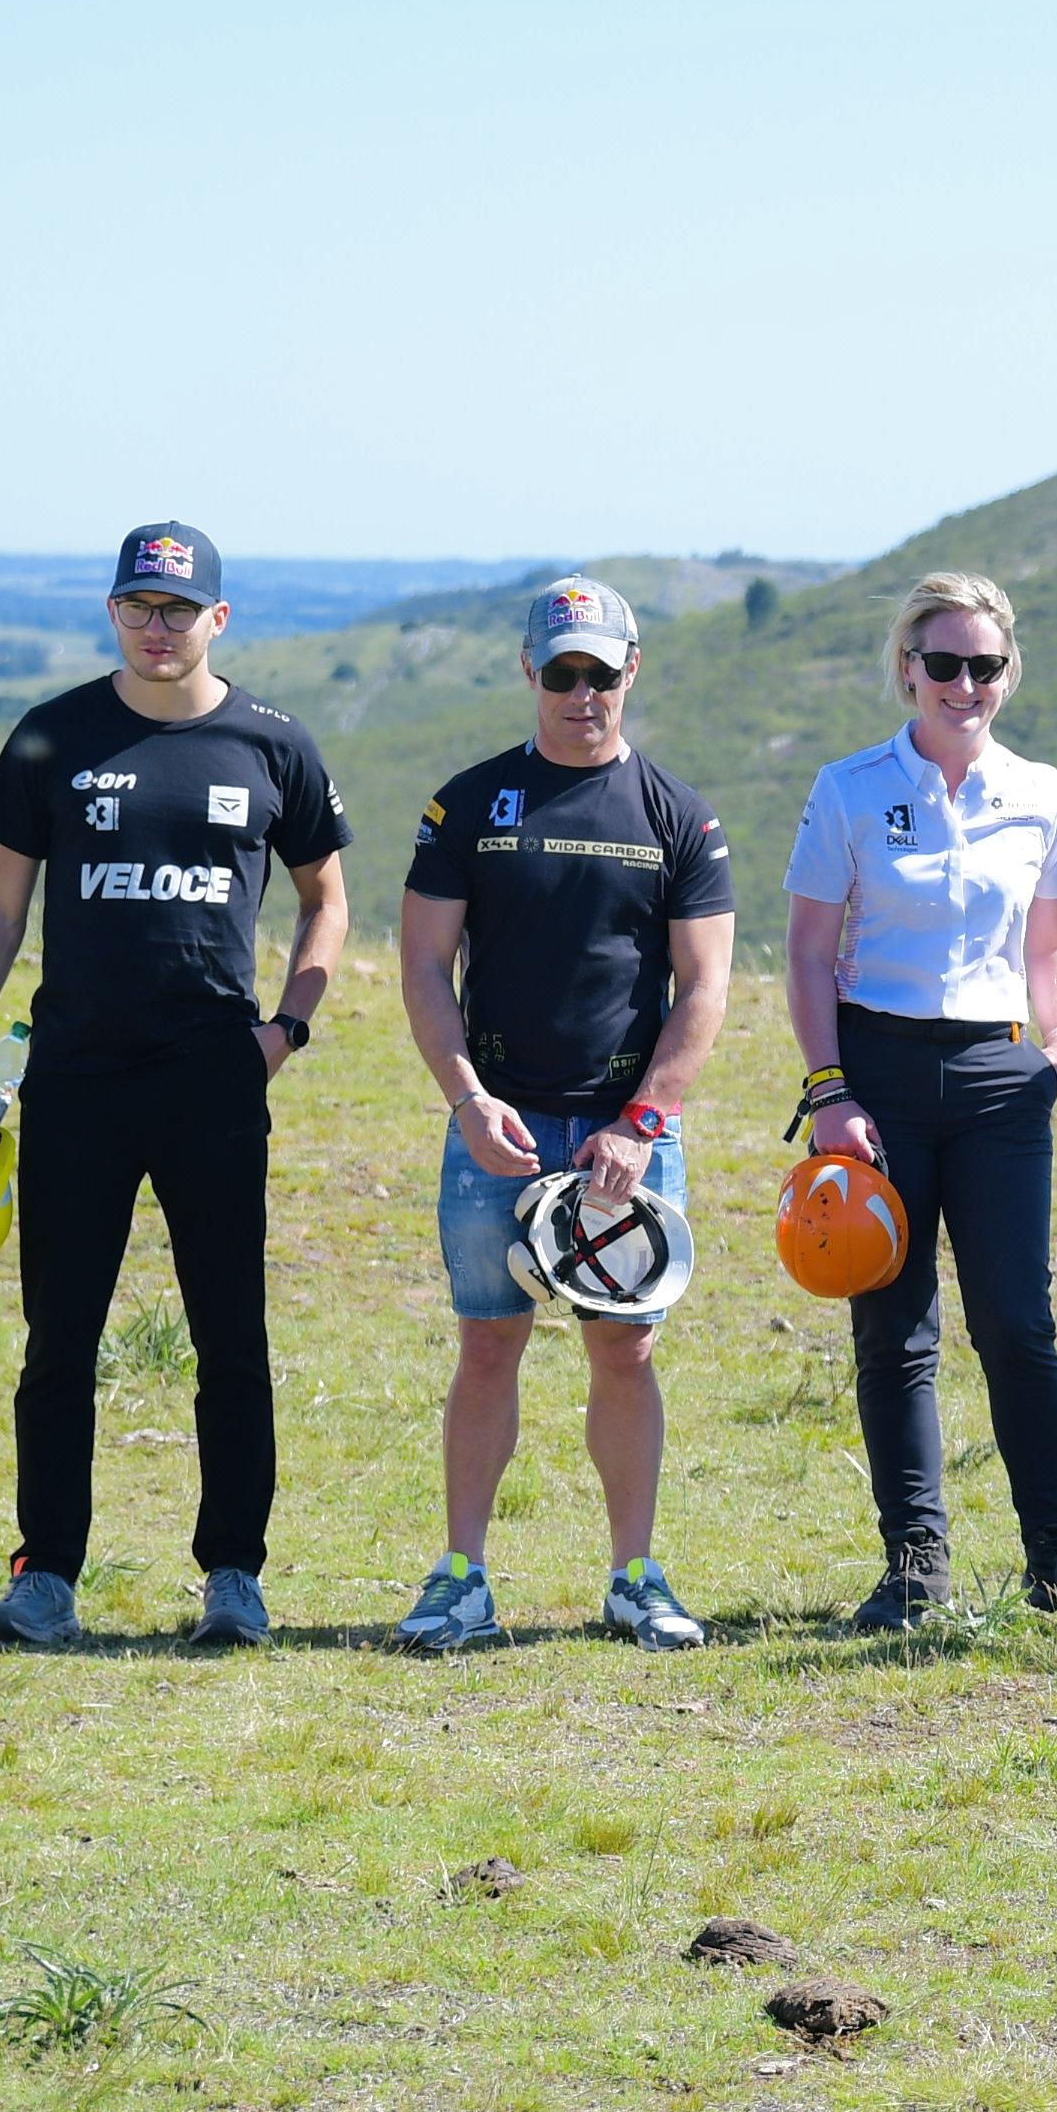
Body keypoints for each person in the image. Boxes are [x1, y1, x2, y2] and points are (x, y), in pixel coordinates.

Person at [0, 523, 349, 1651]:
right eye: (138, 607)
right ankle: (47, 1579)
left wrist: (288, 1029)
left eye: (180, 610)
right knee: (57, 1339)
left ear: (219, 618)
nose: (158, 629)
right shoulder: (53, 736)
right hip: (76, 1081)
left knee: (232, 1338)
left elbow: (330, 896)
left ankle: (233, 1576)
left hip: (215, 1081)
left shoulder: (273, 743)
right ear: (112, 612)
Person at [389, 577, 736, 1656]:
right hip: (498, 1123)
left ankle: (635, 1577)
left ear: (633, 670)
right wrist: (467, 1099)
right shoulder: (466, 804)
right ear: (529, 673)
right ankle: (462, 1581)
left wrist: (642, 1121)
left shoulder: (679, 815)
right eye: (561, 672)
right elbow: (421, 965)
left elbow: (706, 988)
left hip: (622, 1137)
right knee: (489, 1347)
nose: (581, 693)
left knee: (624, 1354)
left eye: (601, 672)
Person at [785, 570, 1057, 1631]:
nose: (965, 683)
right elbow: (805, 951)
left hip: (998, 1076)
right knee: (894, 1329)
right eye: (945, 663)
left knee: (1019, 1325)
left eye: (986, 665)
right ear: (907, 669)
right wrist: (829, 1089)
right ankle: (916, 1564)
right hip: (876, 1077)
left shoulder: (1042, 793)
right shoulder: (848, 789)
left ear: (1006, 672)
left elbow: (1055, 936)